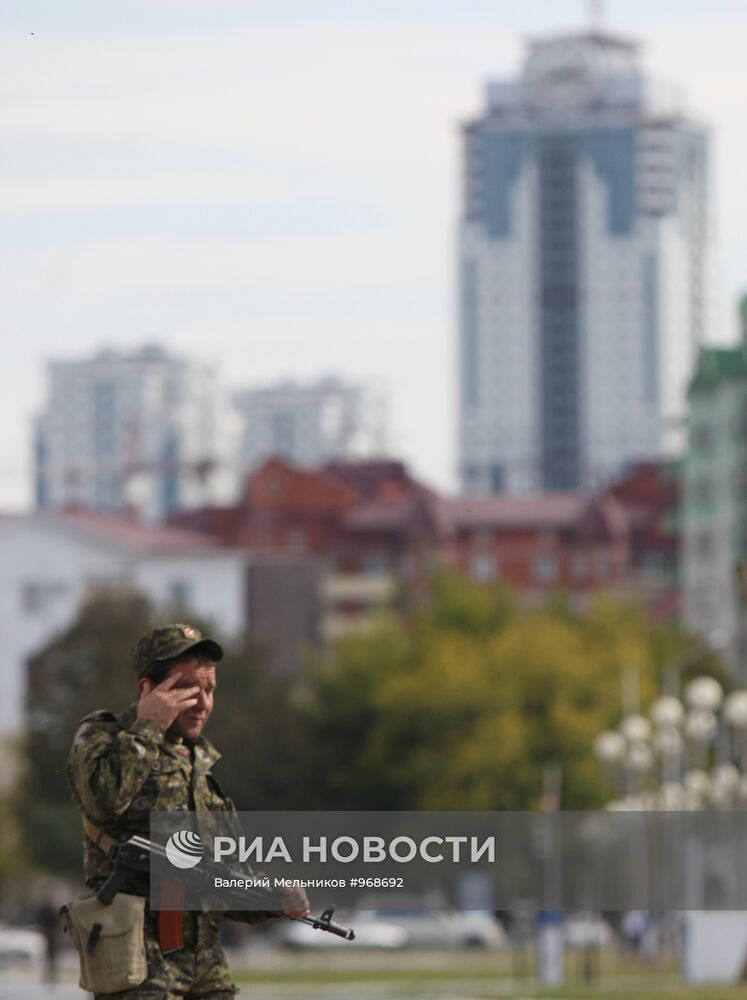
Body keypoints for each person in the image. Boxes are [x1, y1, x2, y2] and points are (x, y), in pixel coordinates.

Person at [67, 622, 309, 1000]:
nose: (202, 703)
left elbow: (225, 874)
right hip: (138, 965)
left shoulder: (199, 764)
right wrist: (149, 724)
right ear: (148, 689)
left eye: (210, 690)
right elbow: (104, 799)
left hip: (204, 965)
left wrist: (274, 898)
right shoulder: (104, 737)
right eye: (188, 689)